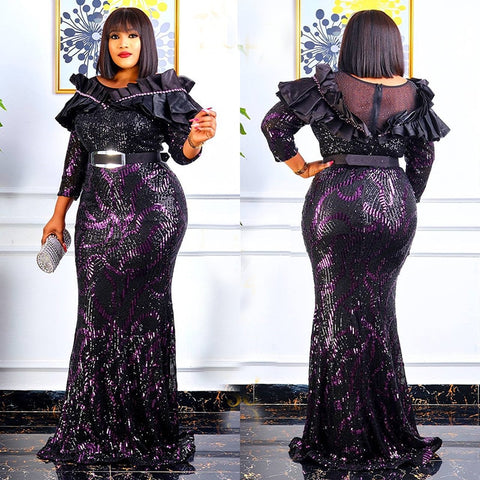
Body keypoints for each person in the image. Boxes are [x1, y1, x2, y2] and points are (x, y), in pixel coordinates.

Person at [261, 9, 449, 471]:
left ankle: (338, 431)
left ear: (349, 44)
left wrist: (303, 168)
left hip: (335, 204)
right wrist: (402, 201)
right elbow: (422, 161)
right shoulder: (414, 94)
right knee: (378, 314)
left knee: (335, 313)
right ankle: (385, 428)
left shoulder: (325, 86)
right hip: (392, 204)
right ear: (391, 46)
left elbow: (273, 125)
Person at [37, 7, 216, 468]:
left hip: (154, 209)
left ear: (145, 42)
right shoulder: (88, 94)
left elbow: (182, 153)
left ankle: (146, 425)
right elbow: (75, 160)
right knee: (96, 313)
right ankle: (97, 425)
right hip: (97, 211)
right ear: (106, 43)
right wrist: (58, 216)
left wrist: (196, 139)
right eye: (115, 36)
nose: (123, 44)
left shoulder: (164, 91)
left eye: (132, 36)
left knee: (145, 313)